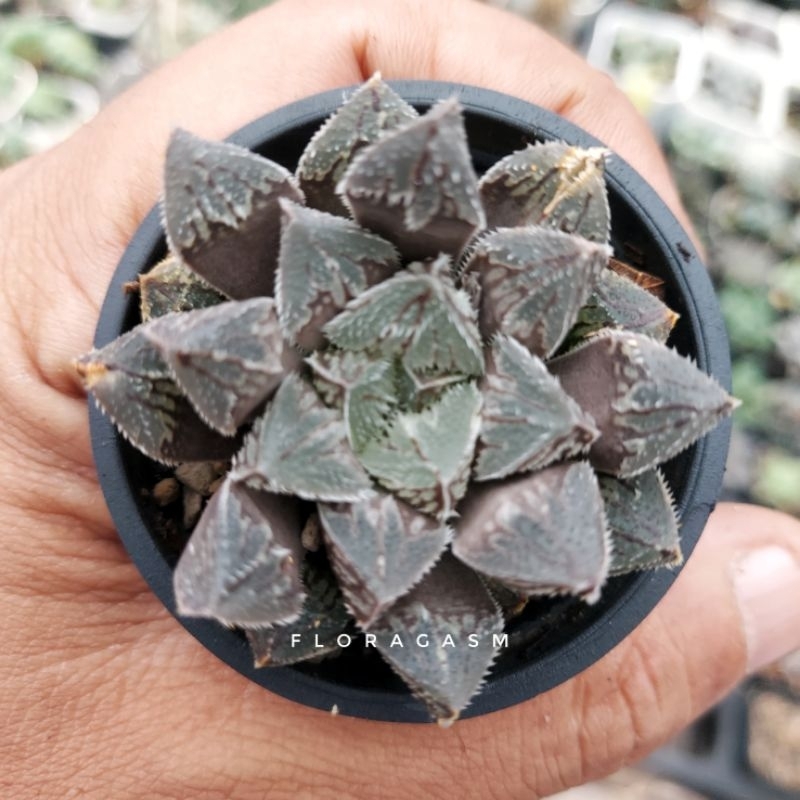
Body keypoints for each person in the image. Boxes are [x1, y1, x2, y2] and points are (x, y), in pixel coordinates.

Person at [0, 1, 798, 796]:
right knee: (287, 600)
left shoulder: (521, 317)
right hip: (329, 484)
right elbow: (289, 591)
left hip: (479, 456)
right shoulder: (277, 341)